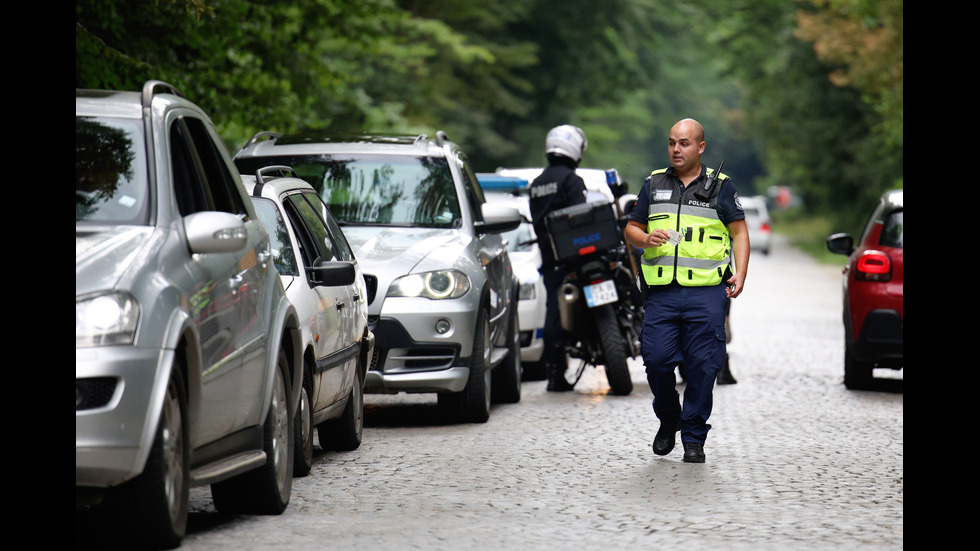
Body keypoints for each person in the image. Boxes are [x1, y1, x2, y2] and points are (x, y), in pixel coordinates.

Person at [624, 118, 750, 463]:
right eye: (671, 143)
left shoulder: (721, 187)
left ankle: (694, 437)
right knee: (657, 361)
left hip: (706, 294)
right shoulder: (654, 183)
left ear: (700, 147)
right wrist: (645, 238)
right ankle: (669, 418)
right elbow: (631, 229)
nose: (676, 149)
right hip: (662, 293)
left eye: (684, 143)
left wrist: (740, 273)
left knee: (702, 366)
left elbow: (739, 232)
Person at [529, 125, 589, 391]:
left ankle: (555, 373)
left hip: (551, 260)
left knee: (555, 312)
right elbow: (582, 217)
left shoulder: (537, 184)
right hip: (577, 257)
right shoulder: (572, 181)